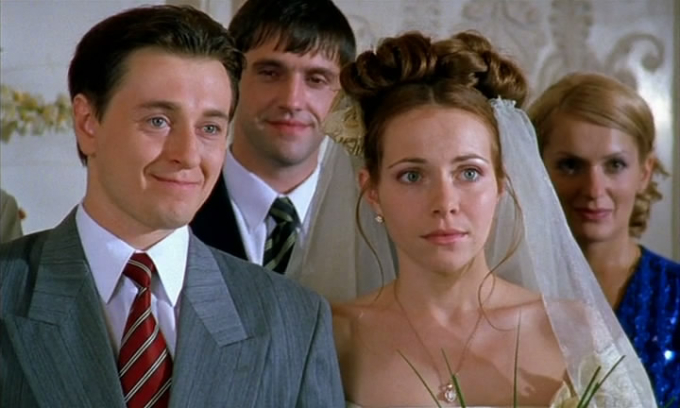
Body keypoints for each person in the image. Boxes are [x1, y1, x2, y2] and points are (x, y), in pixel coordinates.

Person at [0, 5, 344, 407]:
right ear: (87, 122)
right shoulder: (9, 288)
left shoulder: (293, 319)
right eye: (158, 121)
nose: (188, 154)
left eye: (210, 128)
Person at [329, 32, 657, 407]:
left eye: (469, 173)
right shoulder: (334, 336)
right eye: (412, 175)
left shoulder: (573, 333)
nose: (445, 203)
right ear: (372, 190)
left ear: (501, 184)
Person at [190, 0, 396, 302]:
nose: (292, 101)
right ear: (231, 78)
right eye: (270, 73)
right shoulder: (176, 206)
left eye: (316, 79)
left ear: (344, 95)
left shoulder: (379, 225)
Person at [528, 72, 680, 406]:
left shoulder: (677, 294)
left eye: (614, 165)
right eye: (570, 165)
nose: (594, 189)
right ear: (537, 170)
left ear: (644, 172)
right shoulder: (506, 293)